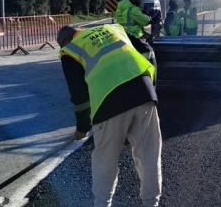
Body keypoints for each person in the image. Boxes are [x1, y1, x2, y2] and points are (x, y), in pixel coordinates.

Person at [57, 23, 162, 207]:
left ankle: (102, 204)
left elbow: (79, 95)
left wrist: (82, 127)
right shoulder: (114, 29)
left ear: (65, 40)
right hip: (144, 94)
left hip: (108, 103)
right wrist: (149, 84)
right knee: (149, 155)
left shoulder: (70, 50)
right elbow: (147, 50)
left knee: (105, 161)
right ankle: (151, 203)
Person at [115, 0, 158, 66]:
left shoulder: (119, 10)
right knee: (146, 54)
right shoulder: (133, 9)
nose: (140, 2)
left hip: (122, 37)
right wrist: (151, 16)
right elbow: (145, 21)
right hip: (135, 38)